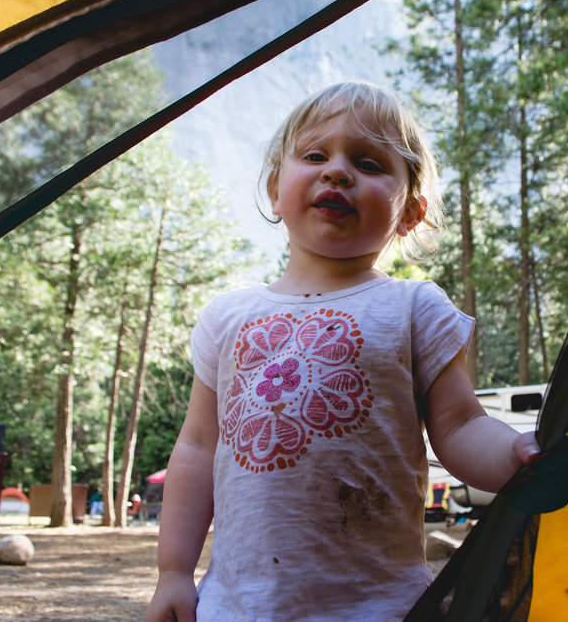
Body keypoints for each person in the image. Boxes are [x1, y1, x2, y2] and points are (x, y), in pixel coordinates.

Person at [146, 82, 541, 621]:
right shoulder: (227, 316)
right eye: (314, 155)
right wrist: (173, 571)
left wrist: (516, 455)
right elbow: (196, 448)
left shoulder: (413, 307)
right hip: (238, 605)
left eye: (368, 162)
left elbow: (460, 426)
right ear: (274, 189)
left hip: (379, 605)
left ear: (410, 212)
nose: (337, 171)